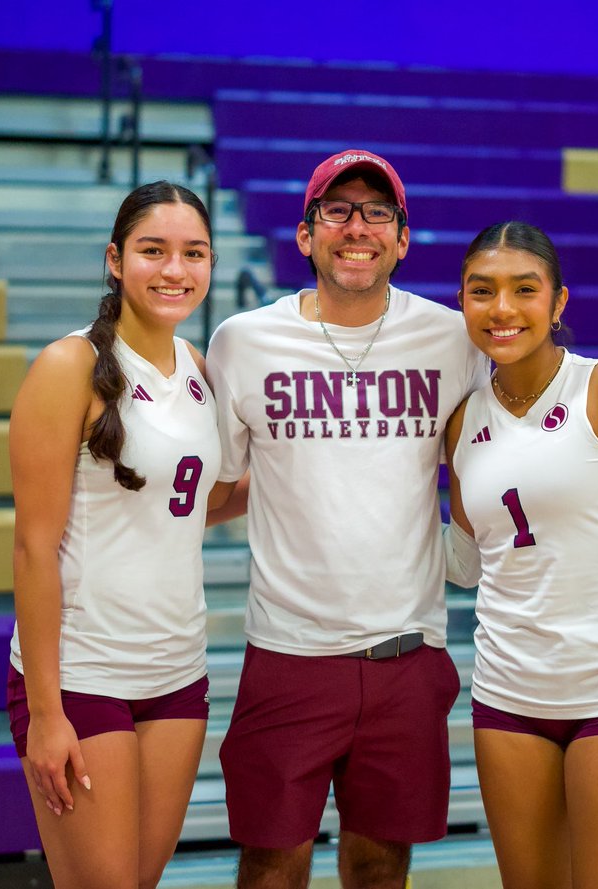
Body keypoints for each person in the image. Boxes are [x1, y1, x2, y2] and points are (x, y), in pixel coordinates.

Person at [205, 149, 489, 889]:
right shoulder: (242, 342)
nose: (355, 227)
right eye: (336, 211)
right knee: (272, 864)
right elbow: (218, 484)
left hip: (406, 652)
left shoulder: (456, 340)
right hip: (289, 651)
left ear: (403, 238)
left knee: (379, 866)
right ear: (305, 236)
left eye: (376, 212)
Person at [6, 180, 242, 889]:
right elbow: (31, 548)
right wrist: (46, 713)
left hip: (177, 675)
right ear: (115, 260)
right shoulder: (67, 366)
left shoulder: (198, 367)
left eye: (193, 253)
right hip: (83, 675)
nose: (175, 269)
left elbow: (196, 502)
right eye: (153, 250)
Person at [443, 221, 598, 889]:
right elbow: (464, 562)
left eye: (525, 289)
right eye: (482, 290)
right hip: (507, 695)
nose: (502, 308)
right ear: (461, 301)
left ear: (558, 302)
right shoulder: (462, 421)